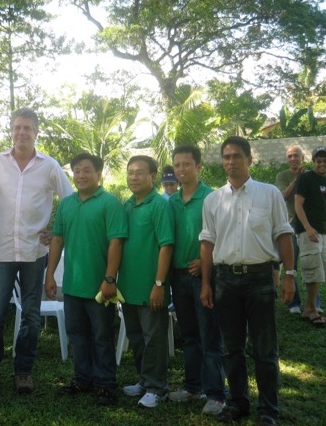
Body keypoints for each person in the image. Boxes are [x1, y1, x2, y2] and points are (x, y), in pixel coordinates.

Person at [0, 107, 74, 397]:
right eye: (17, 127)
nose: (22, 132)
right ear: (11, 131)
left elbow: (70, 200)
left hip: (34, 251)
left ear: (36, 132)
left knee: (31, 316)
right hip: (2, 250)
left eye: (27, 128)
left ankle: (23, 372)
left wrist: (56, 231)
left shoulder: (49, 166)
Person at [199, 136, 295, 425]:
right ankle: (238, 403)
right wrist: (206, 283)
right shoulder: (213, 200)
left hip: (260, 279)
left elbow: (283, 234)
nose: (231, 161)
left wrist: (289, 275)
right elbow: (207, 243)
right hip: (225, 281)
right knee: (231, 349)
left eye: (237, 156)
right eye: (226, 157)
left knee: (265, 350)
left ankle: (268, 410)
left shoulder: (269, 194)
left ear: (249, 159)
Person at [45, 153, 127, 406]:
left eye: (86, 170)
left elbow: (116, 242)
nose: (81, 175)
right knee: (77, 334)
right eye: (77, 171)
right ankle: (82, 379)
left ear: (98, 174)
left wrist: (110, 278)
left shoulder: (110, 203)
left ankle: (106, 384)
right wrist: (49, 275)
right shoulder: (66, 204)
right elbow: (57, 240)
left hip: (100, 286)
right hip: (72, 285)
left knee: (102, 335)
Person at [167, 145, 226, 415]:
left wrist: (205, 264)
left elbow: (222, 236)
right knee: (189, 335)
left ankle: (216, 394)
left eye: (187, 164)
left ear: (198, 166)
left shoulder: (212, 198)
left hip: (204, 276)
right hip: (178, 277)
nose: (181, 169)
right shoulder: (171, 201)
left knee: (210, 335)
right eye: (177, 165)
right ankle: (192, 386)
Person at [118, 155, 175, 409]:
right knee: (137, 337)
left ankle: (157, 388)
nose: (134, 177)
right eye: (130, 172)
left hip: (151, 287)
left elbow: (166, 245)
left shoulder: (159, 205)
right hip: (128, 287)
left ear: (152, 176)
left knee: (154, 339)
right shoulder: (128, 205)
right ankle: (144, 380)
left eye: (140, 172)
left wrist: (159, 284)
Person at [294, 146, 326, 326]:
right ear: (313, 161)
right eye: (318, 160)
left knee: (321, 269)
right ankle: (311, 309)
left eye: (325, 160)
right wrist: (308, 228)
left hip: (323, 232)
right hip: (307, 231)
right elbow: (298, 205)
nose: (322, 163)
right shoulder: (306, 178)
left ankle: (310, 307)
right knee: (312, 270)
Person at [275, 145, 321, 314]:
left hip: (308, 225)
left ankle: (314, 302)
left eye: (296, 155)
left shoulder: (311, 175)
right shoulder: (282, 176)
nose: (293, 159)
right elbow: (282, 196)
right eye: (290, 156)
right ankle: (293, 302)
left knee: (312, 263)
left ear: (303, 157)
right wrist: (296, 180)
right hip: (290, 226)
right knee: (291, 263)